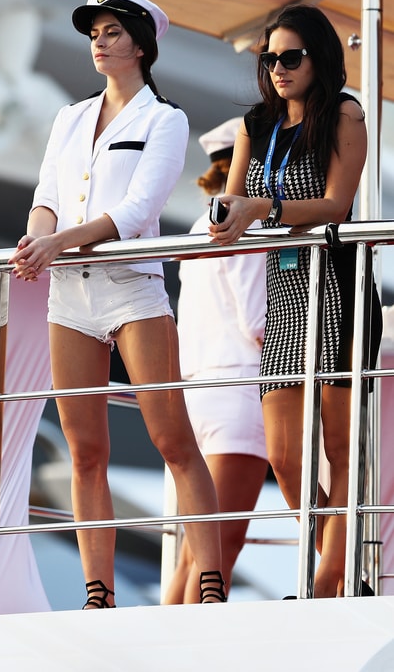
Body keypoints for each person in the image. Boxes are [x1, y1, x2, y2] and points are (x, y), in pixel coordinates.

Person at [10, 0, 225, 608]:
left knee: (172, 440)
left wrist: (56, 242)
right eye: (96, 34)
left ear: (142, 46)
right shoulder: (69, 117)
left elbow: (137, 211)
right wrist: (36, 240)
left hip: (133, 289)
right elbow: (46, 196)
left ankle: (211, 584)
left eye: (113, 33)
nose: (100, 44)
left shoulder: (165, 119)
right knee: (85, 452)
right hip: (69, 295)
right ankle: (98, 594)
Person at [209, 3, 382, 598]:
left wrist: (265, 208)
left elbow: (336, 205)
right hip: (284, 296)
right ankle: (343, 576)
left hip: (336, 288)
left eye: (291, 57)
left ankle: (327, 584)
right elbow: (234, 200)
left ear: (318, 58)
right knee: (284, 459)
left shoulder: (344, 113)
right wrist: (224, 214)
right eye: (269, 58)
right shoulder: (255, 126)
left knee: (340, 448)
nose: (278, 68)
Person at [164, 118, 269, 604]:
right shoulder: (248, 223)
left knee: (196, 553)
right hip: (239, 390)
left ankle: (164, 642)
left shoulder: (201, 223)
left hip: (199, 392)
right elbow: (257, 321)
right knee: (220, 550)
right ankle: (193, 644)